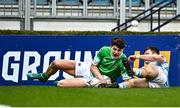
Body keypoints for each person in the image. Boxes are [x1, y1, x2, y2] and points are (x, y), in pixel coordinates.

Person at [26, 37, 131, 87]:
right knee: (56, 63)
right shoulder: (104, 50)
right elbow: (93, 66)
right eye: (114, 49)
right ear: (110, 47)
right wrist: (100, 77)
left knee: (60, 84)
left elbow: (127, 81)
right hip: (90, 70)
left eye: (119, 50)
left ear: (123, 50)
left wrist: (113, 85)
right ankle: (44, 76)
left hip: (95, 80)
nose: (116, 52)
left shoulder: (123, 61)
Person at [99, 46, 169, 88]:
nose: (145, 56)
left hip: (162, 78)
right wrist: (135, 77)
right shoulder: (144, 68)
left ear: (155, 53)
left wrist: (137, 56)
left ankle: (133, 70)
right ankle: (114, 86)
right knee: (132, 82)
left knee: (150, 68)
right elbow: (141, 78)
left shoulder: (161, 59)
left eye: (147, 54)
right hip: (154, 85)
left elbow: (154, 58)